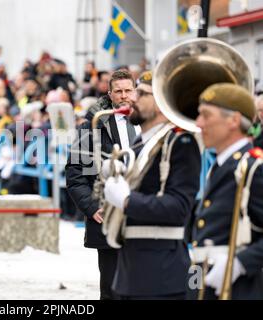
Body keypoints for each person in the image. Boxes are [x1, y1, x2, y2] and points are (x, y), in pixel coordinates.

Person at [103, 71, 201, 299]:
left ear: (161, 104)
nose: (132, 98)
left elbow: (178, 208)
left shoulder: (179, 142)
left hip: (161, 272)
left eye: (142, 94)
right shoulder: (140, 143)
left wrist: (127, 201)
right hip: (130, 267)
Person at [66, 69, 137, 299]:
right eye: (119, 91)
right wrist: (92, 206)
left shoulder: (148, 122)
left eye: (128, 90)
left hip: (142, 214)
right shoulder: (90, 127)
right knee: (111, 287)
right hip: (107, 215)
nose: (124, 95)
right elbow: (75, 173)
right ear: (109, 93)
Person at [189, 83, 263, 299]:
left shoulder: (253, 168)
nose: (198, 123)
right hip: (203, 278)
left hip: (239, 287)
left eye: (206, 115)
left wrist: (239, 263)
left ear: (234, 120)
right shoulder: (220, 164)